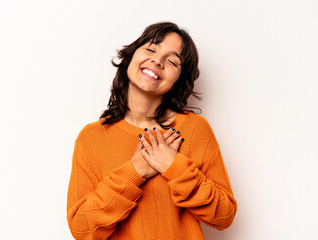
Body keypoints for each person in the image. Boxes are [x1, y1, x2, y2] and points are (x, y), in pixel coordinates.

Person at [66, 22, 237, 240]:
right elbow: (81, 230)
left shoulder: (194, 129)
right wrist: (135, 172)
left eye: (172, 61)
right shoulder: (91, 138)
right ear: (130, 57)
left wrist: (174, 167)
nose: (158, 60)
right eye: (150, 49)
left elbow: (224, 216)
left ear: (177, 81)